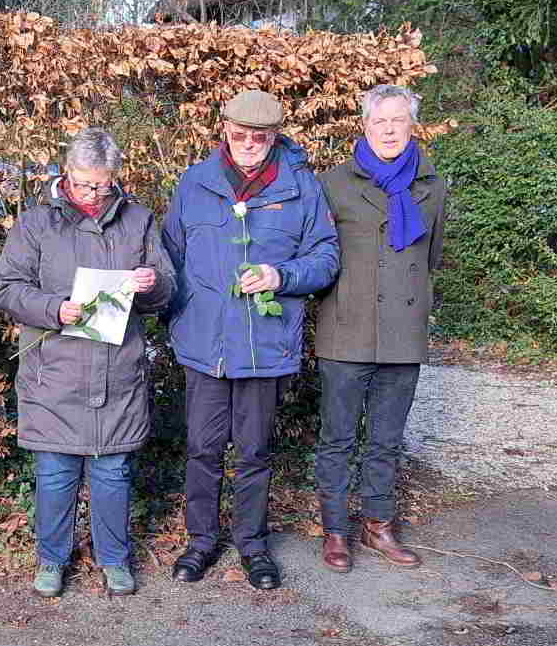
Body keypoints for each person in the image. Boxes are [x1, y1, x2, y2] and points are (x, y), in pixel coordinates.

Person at [162, 90, 339, 590]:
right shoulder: (195, 182)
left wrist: (281, 276)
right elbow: (169, 258)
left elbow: (326, 258)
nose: (248, 145)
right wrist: (174, 321)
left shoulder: (301, 187)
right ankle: (200, 542)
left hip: (265, 344)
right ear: (224, 129)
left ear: (274, 137)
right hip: (204, 346)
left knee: (256, 450)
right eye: (238, 135)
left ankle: (253, 546)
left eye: (259, 138)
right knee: (201, 448)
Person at [0, 128, 176, 598]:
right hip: (54, 371)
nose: (93, 194)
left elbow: (168, 288)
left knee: (113, 471)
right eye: (83, 184)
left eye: (102, 184)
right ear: (66, 174)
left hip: (118, 370)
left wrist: (151, 282)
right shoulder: (36, 223)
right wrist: (54, 308)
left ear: (115, 178)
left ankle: (114, 560)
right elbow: (8, 288)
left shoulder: (138, 220)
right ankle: (52, 560)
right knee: (55, 473)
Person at [313, 84, 448, 573]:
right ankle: (334, 531)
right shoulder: (334, 183)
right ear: (365, 126)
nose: (389, 130)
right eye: (380, 122)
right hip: (345, 328)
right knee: (338, 437)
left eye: (398, 121)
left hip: (403, 330)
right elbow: (320, 254)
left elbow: (429, 258)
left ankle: (378, 525)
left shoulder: (432, 184)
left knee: (387, 439)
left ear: (412, 126)